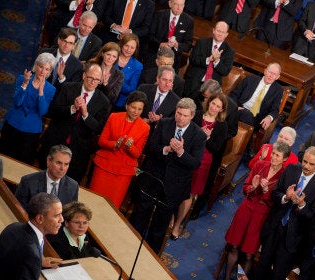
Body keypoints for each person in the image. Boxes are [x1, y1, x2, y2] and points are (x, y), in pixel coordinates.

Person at [247, 146, 315, 280]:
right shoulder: (291, 169)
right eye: (304, 161)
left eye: (311, 164)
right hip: (275, 227)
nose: (306, 166)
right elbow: (275, 194)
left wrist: (302, 205)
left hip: (293, 239)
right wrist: (285, 197)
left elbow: (313, 218)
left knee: (277, 277)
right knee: (262, 266)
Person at [129, 98, 206, 254]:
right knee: (140, 215)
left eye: (185, 115)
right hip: (153, 178)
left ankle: (151, 256)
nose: (180, 118)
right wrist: (166, 149)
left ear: (192, 116)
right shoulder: (164, 123)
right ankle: (128, 244)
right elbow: (151, 147)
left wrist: (181, 152)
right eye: (178, 114)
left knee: (160, 224)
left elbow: (195, 163)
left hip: (174, 186)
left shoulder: (198, 135)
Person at [218, 141, 290, 280]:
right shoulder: (260, 165)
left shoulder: (284, 176)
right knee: (234, 246)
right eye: (273, 153)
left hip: (262, 214)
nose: (273, 157)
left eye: (277, 155)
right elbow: (245, 187)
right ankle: (226, 278)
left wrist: (265, 191)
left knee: (249, 254)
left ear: (284, 159)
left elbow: (278, 203)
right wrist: (254, 187)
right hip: (247, 207)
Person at [39, 63, 111, 182]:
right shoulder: (68, 87)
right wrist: (72, 108)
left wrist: (86, 115)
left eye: (97, 80)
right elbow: (53, 111)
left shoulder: (104, 101)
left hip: (78, 153)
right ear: (84, 76)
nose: (93, 82)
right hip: (55, 142)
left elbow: (99, 128)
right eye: (90, 78)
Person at [171, 92, 228, 239]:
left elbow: (216, 149)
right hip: (186, 154)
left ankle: (177, 224)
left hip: (204, 162)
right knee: (176, 187)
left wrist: (207, 138)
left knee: (189, 193)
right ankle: (170, 218)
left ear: (222, 110)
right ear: (208, 102)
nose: (214, 108)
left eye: (218, 106)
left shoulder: (222, 126)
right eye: (213, 103)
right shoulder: (194, 115)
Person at [90, 91, 149, 209]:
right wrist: (114, 144)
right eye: (133, 107)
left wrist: (130, 147)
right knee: (92, 202)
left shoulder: (145, 127)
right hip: (104, 166)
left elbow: (137, 154)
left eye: (139, 109)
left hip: (122, 174)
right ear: (127, 105)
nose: (136, 112)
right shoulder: (114, 117)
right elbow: (101, 141)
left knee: (111, 207)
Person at [0, 53, 57, 164]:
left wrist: (41, 92)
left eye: (47, 69)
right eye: (41, 67)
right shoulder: (22, 78)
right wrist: (25, 83)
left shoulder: (50, 89)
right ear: (35, 66)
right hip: (13, 123)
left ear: (50, 72)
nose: (43, 71)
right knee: (1, 158)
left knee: (22, 163)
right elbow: (17, 102)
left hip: (31, 130)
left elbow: (43, 111)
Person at [16, 145, 79, 210]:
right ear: (48, 161)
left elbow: (71, 215)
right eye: (59, 163)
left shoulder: (73, 186)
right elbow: (19, 210)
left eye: (66, 164)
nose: (62, 168)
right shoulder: (28, 182)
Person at [183, 21, 235, 97]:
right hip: (194, 82)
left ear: (226, 34)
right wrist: (208, 59)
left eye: (222, 32)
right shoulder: (202, 42)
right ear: (213, 30)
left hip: (211, 90)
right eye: (218, 31)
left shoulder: (229, 51)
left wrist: (217, 61)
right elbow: (192, 59)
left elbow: (225, 72)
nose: (220, 34)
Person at [230, 63, 284, 132]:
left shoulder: (278, 90)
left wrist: (269, 117)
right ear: (265, 71)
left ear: (277, 77)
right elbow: (235, 94)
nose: (271, 76)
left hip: (257, 118)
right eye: (270, 72)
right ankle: (248, 140)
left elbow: (275, 109)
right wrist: (235, 107)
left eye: (274, 74)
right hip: (239, 109)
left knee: (243, 115)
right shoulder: (250, 79)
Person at [147, 0, 193, 71]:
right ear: (170, 4)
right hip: (155, 56)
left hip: (174, 61)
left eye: (181, 5)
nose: (179, 8)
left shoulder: (189, 21)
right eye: (176, 4)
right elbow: (149, 36)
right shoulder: (159, 15)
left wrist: (177, 45)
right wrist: (161, 44)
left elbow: (188, 45)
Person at [87, 42, 123, 106]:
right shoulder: (91, 65)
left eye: (114, 56)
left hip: (102, 106)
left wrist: (105, 84)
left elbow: (113, 98)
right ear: (102, 54)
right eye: (108, 54)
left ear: (116, 59)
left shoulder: (119, 75)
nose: (110, 58)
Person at [113, 33, 142, 111]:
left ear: (135, 49)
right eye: (126, 45)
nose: (129, 50)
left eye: (132, 47)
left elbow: (131, 89)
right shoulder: (112, 56)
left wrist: (114, 80)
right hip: (103, 97)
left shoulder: (137, 66)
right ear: (122, 44)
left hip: (120, 104)